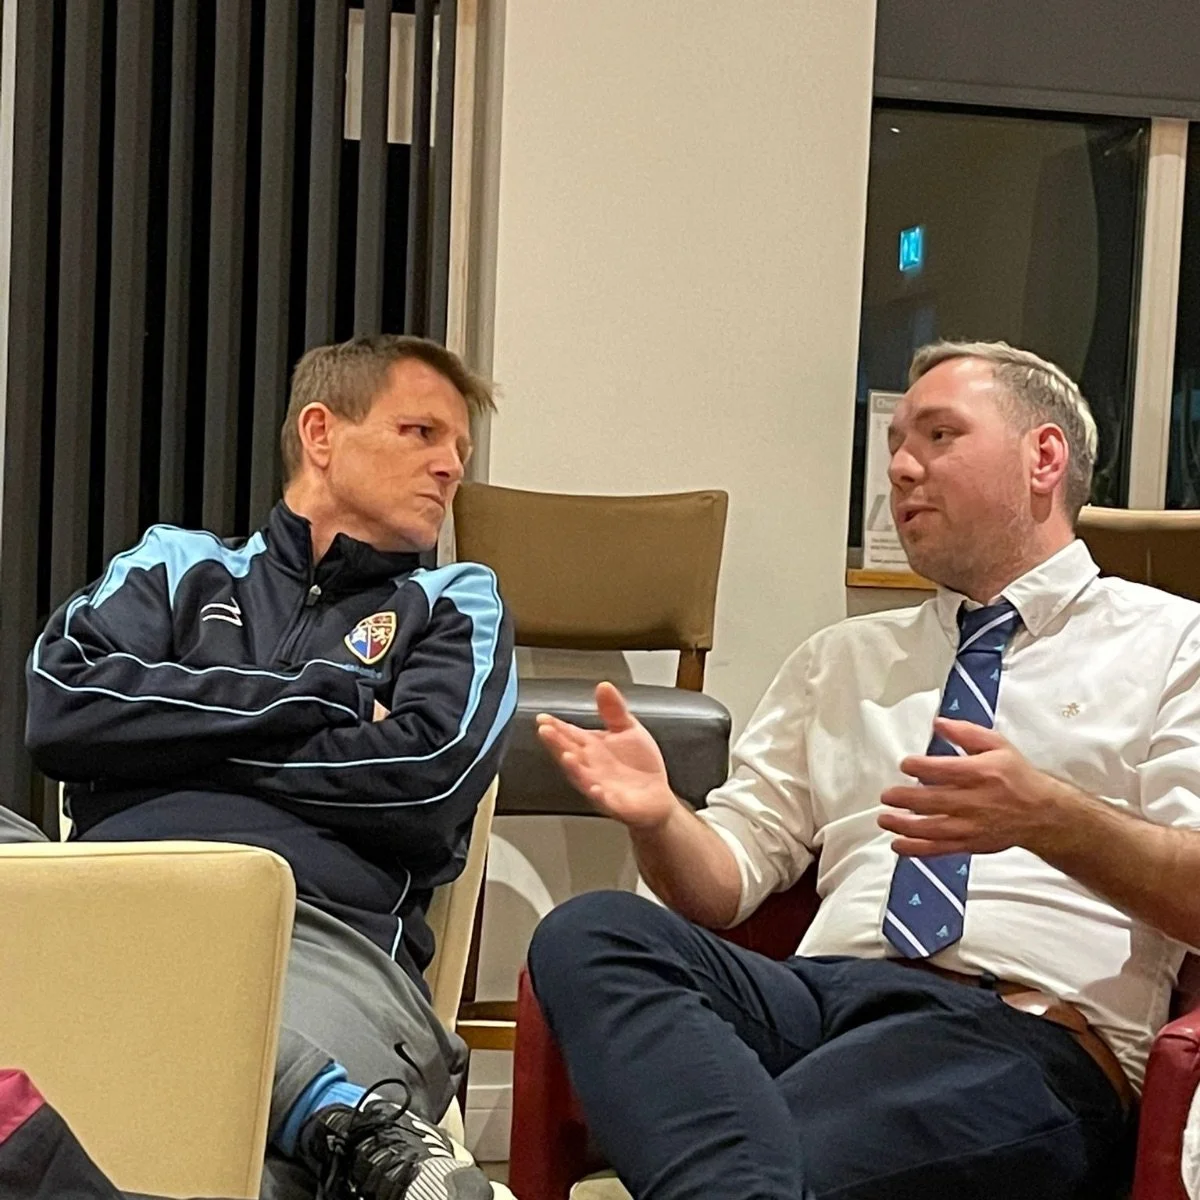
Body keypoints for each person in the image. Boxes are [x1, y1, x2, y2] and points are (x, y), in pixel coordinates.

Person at [531, 340, 1200, 1200]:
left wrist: (1051, 820)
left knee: (781, 1154)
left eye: (939, 436)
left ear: (1044, 456)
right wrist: (660, 819)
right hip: (816, 998)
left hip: (1019, 1033)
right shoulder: (840, 659)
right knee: (592, 932)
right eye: (895, 445)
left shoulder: (1175, 645)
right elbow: (725, 884)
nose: (902, 468)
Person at [18, 335, 516, 1200]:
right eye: (421, 433)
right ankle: (327, 1110)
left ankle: (326, 1113)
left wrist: (161, 754)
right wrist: (321, 699)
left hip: (319, 942)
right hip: (103, 907)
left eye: (460, 451)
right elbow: (60, 705)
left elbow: (425, 776)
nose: (450, 468)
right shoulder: (176, 566)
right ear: (321, 433)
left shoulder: (454, 604)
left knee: (236, 1159)